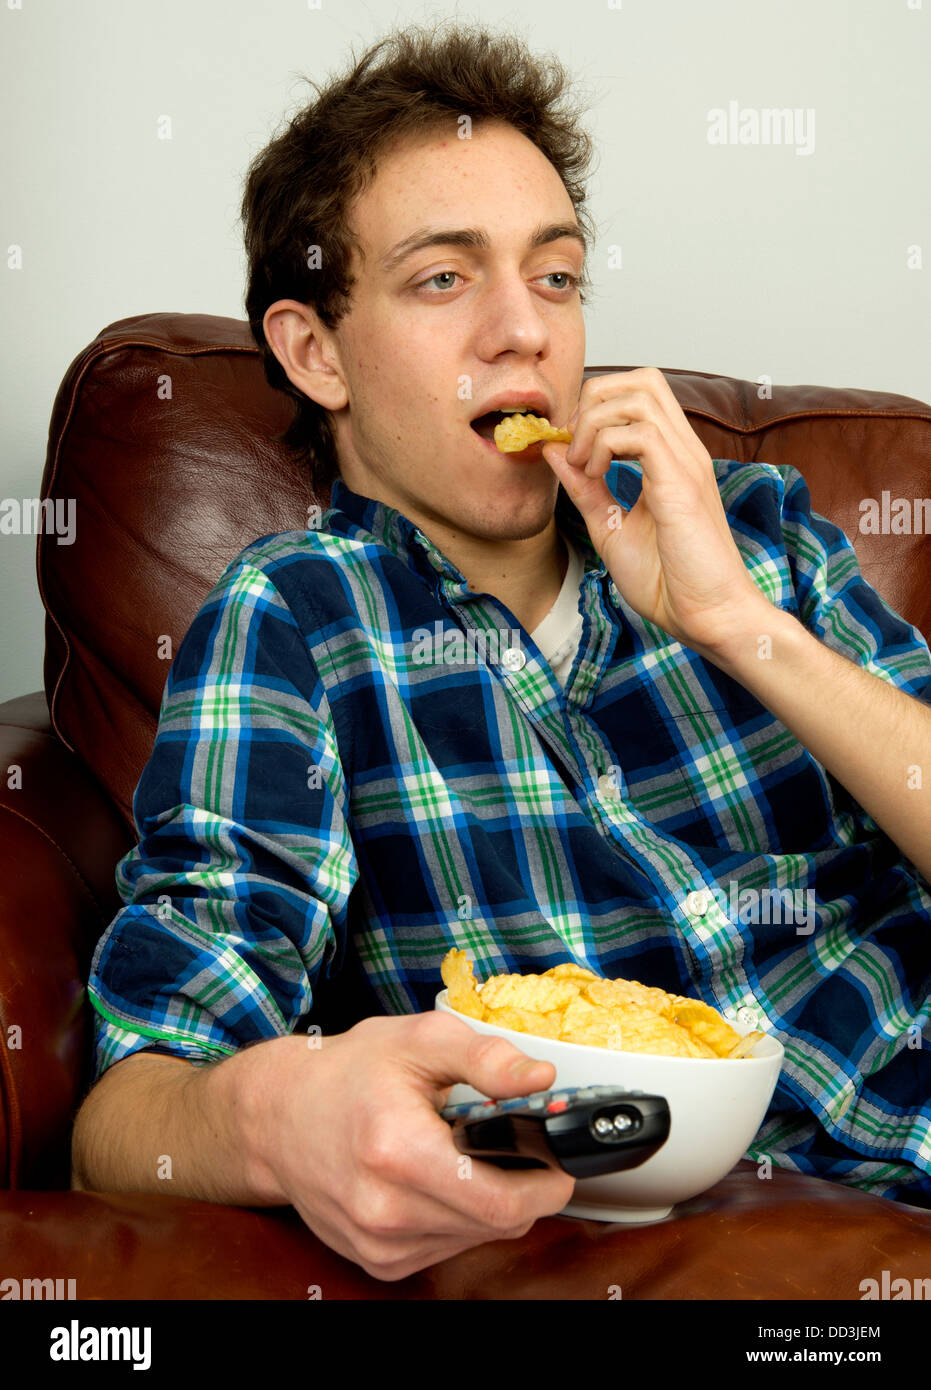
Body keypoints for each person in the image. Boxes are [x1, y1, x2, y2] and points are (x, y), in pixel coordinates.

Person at [71, 23, 931, 1280]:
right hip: (744, 1250)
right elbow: (128, 1119)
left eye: (558, 276)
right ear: (316, 351)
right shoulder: (297, 622)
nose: (523, 332)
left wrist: (741, 626)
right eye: (442, 279)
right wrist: (285, 1115)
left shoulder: (753, 529)